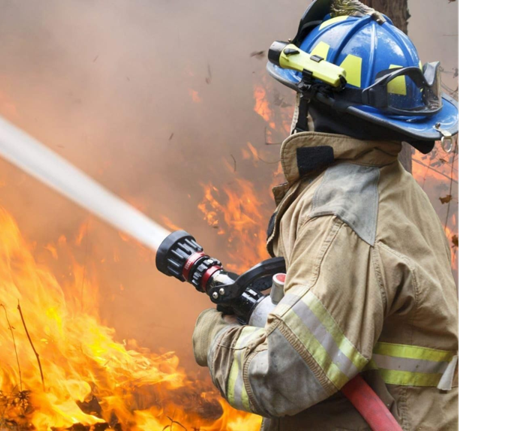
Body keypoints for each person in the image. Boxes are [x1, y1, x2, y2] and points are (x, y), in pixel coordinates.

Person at [191, 1, 459, 429]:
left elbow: (281, 375)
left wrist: (213, 336)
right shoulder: (387, 182)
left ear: (314, 102)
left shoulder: (343, 216)